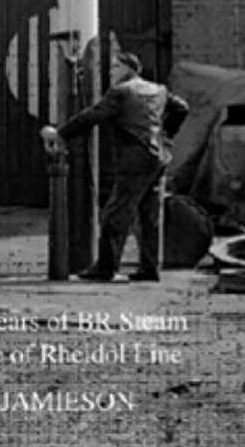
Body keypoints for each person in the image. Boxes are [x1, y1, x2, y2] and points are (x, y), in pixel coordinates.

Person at [40, 51, 189, 283]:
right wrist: (166, 135)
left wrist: (61, 133)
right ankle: (150, 269)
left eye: (114, 67)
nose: (110, 72)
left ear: (128, 68)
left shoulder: (122, 92)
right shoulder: (158, 90)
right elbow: (182, 108)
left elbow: (92, 116)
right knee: (150, 216)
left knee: (115, 214)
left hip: (134, 160)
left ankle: (106, 269)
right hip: (158, 158)